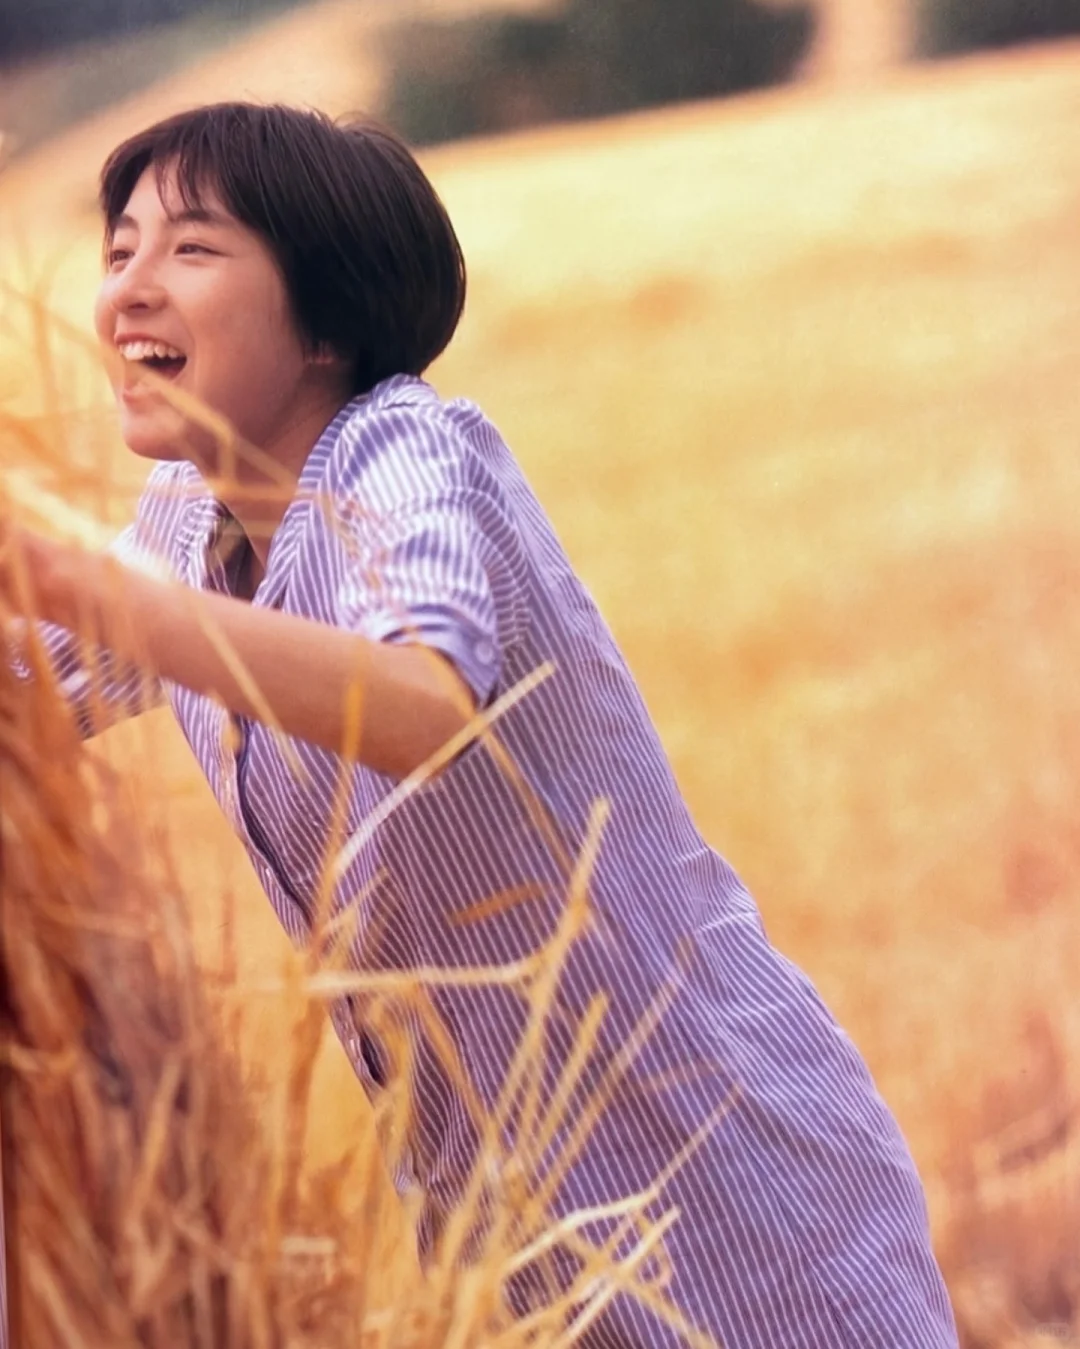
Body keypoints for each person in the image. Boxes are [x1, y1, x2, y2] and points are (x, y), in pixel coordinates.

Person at [5, 103, 958, 1348]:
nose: (128, 289)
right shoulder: (182, 524)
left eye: (190, 248)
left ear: (328, 323)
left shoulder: (406, 454)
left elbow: (418, 702)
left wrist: (96, 596)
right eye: (118, 247)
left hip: (729, 1192)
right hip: (510, 1240)